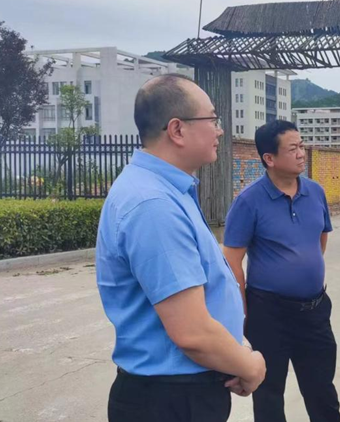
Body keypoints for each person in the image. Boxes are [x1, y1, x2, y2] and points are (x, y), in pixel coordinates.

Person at [96, 74, 266, 422]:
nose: (220, 130)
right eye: (212, 119)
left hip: (179, 393)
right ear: (177, 130)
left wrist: (236, 347)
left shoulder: (168, 190)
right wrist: (250, 366)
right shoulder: (153, 204)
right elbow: (192, 333)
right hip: (168, 401)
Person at [223, 120, 340, 422]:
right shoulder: (249, 201)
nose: (302, 153)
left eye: (302, 146)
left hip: (314, 312)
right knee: (269, 395)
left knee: (322, 391)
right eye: (293, 149)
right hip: (268, 314)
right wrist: (244, 312)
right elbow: (232, 261)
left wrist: (301, 271)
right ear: (270, 158)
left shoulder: (315, 192)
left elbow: (320, 239)